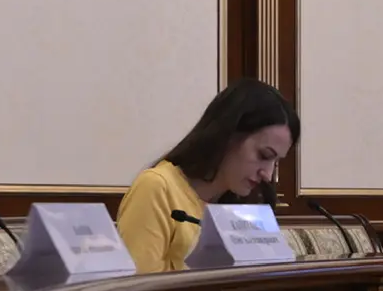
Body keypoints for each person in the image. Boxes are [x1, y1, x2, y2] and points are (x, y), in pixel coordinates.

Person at [117, 79, 298, 273]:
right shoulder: (157, 187)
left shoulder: (242, 204)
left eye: (275, 163)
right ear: (228, 135)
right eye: (264, 155)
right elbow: (137, 287)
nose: (267, 175)